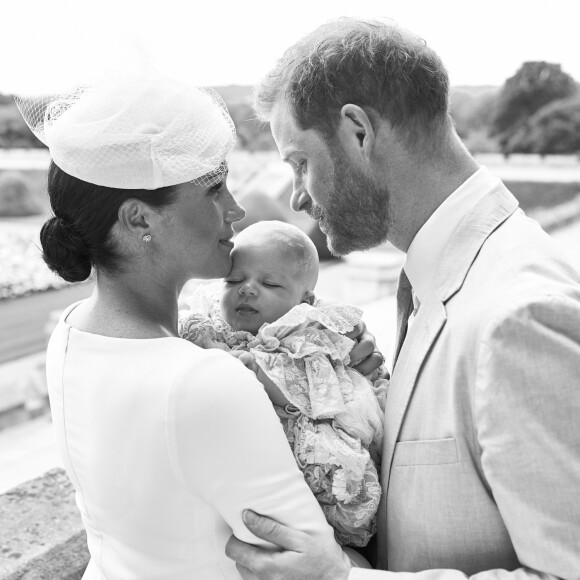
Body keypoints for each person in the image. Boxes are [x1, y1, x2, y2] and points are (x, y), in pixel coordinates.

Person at [224, 18, 580, 580]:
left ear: (358, 132)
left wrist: (342, 579)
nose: (296, 195)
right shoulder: (445, 275)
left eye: (300, 162)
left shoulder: (520, 315)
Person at [15, 77, 380, 579]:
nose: (236, 209)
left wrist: (325, 353)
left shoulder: (73, 333)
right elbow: (315, 564)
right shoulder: (206, 379)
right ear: (140, 218)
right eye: (214, 190)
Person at [179, 220, 389, 547]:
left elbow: (312, 390)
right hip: (240, 472)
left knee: (339, 474)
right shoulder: (208, 324)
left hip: (305, 435)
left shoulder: (306, 335)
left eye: (270, 284)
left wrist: (257, 374)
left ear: (305, 300)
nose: (247, 288)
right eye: (234, 279)